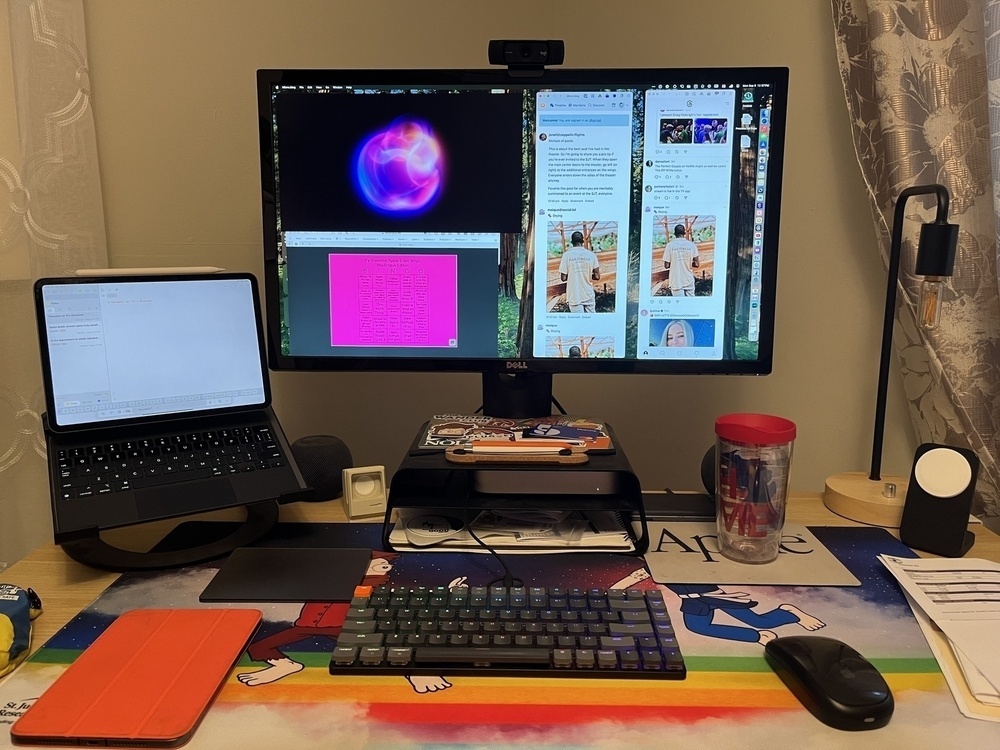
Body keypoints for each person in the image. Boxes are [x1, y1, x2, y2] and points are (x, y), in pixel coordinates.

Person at [558, 230, 600, 313]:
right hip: (588, 294)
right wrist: (586, 274)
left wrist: (574, 275)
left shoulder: (567, 255)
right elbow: (597, 276)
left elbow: (563, 278)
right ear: (583, 241)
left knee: (578, 323)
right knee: (592, 321)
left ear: (572, 242)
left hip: (574, 296)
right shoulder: (591, 255)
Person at [662, 223, 700, 296]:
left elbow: (666, 265)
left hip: (676, 281)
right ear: (684, 233)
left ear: (674, 234)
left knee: (679, 305)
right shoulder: (692, 245)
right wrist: (687, 262)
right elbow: (697, 264)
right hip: (688, 279)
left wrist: (675, 262)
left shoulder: (670, 246)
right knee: (691, 304)